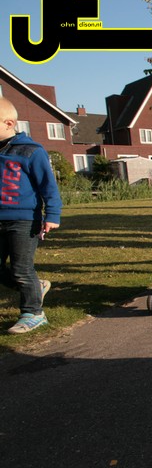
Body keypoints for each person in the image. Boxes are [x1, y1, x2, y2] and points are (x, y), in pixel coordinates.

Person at [0, 97, 61, 334]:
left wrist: (52, 215)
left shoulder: (31, 151)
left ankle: (33, 313)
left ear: (8, 123)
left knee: (21, 269)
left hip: (24, 220)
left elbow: (48, 186)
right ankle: (37, 287)